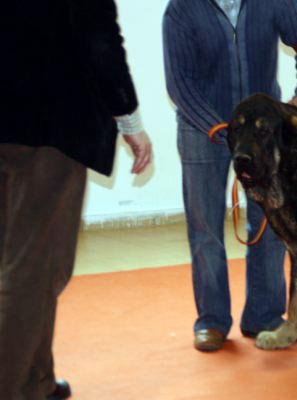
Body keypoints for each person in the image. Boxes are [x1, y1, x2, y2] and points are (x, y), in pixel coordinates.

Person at [0, 0, 152, 398]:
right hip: (50, 127)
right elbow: (99, 39)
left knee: (14, 265)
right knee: (32, 272)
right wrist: (130, 121)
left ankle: (36, 382)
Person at [162, 0, 297, 352]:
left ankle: (264, 316)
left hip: (265, 133)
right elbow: (180, 84)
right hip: (202, 129)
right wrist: (222, 130)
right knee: (205, 228)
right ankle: (211, 321)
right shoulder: (181, 9)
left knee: (270, 224)